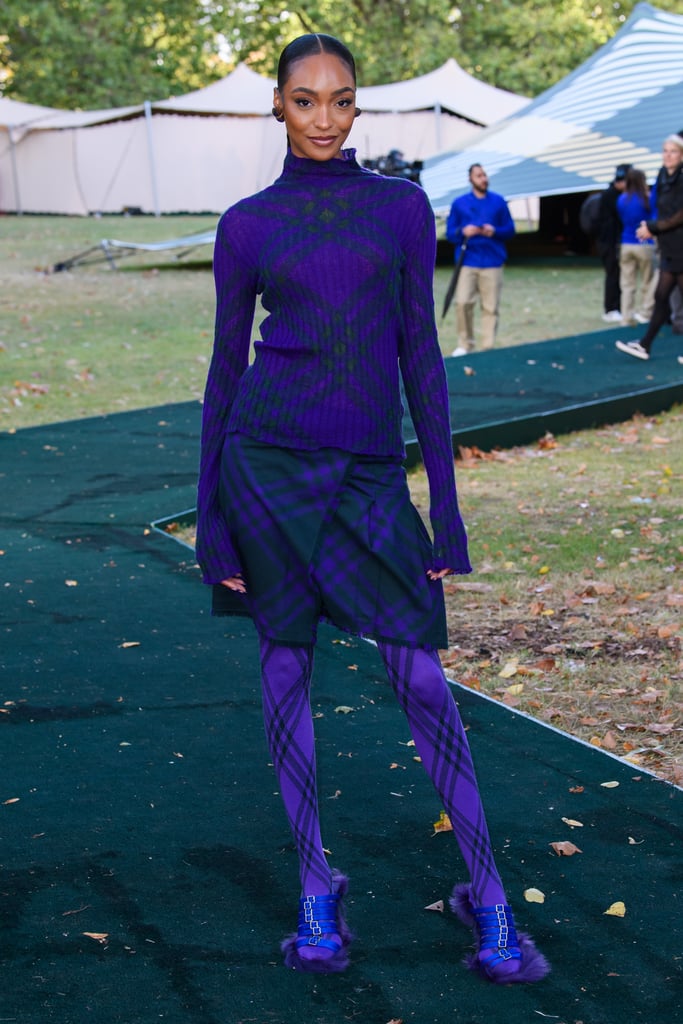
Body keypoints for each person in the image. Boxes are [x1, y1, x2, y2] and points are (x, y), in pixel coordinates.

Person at [195, 33, 549, 983]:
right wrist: (210, 517)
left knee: (421, 680)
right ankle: (317, 885)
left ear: (358, 108)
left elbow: (420, 362)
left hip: (364, 475)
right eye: (304, 100)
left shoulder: (399, 208)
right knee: (283, 671)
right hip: (263, 469)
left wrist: (449, 507)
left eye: (340, 100)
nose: (323, 117)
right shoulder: (245, 223)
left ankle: (490, 896)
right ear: (276, 106)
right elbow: (225, 372)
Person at [616, 133, 683, 361]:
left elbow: (679, 216)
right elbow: (659, 207)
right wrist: (651, 226)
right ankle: (644, 345)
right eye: (665, 151)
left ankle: (645, 344)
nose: (668, 155)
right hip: (669, 246)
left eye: (673, 151)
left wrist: (653, 227)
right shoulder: (663, 176)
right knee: (661, 295)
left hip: (681, 246)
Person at [445, 164, 515, 355]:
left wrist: (494, 231)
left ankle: (488, 346)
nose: (483, 178)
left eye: (484, 175)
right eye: (478, 176)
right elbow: (450, 233)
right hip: (467, 261)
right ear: (470, 179)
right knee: (463, 303)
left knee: (491, 307)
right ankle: (465, 344)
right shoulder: (459, 203)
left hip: (493, 261)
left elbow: (510, 230)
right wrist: (463, 231)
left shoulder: (499, 202)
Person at [616, 168, 656, 325]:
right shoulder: (647, 198)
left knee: (627, 284)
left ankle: (626, 316)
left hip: (626, 243)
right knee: (648, 280)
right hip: (644, 243)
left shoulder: (622, 199)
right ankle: (646, 312)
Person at [596, 163, 631, 322]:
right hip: (609, 242)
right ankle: (610, 309)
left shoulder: (618, 195)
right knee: (613, 274)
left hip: (615, 241)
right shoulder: (611, 196)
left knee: (619, 275)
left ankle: (618, 307)